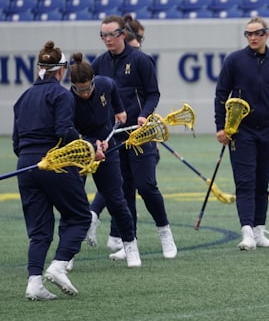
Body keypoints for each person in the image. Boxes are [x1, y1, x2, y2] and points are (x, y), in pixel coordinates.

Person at [92, 15, 177, 259]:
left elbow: (153, 93)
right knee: (123, 190)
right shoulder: (99, 64)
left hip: (141, 135)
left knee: (146, 186)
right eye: (103, 35)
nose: (107, 39)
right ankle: (131, 243)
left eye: (111, 34)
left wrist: (144, 115)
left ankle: (165, 233)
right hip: (115, 138)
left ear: (123, 34)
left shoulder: (141, 60)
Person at [13, 40, 90, 300]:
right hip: (53, 162)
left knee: (39, 229)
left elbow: (16, 142)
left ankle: (34, 282)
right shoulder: (61, 95)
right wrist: (86, 148)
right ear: (61, 71)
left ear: (39, 69)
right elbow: (64, 132)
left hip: (25, 165)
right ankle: (58, 265)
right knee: (81, 216)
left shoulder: (23, 97)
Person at [214, 16, 269, 250]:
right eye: (248, 34)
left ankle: (259, 230)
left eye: (257, 33)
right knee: (245, 181)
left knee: (263, 181)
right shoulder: (234, 61)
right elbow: (221, 94)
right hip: (241, 130)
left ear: (267, 34)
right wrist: (220, 126)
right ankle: (247, 230)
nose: (252, 37)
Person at [69, 52, 141, 267]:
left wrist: (119, 111)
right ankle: (67, 255)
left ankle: (130, 246)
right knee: (73, 203)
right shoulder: (67, 99)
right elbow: (67, 130)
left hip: (107, 147)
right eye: (78, 89)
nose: (83, 93)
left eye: (87, 88)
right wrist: (91, 146)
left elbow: (114, 94)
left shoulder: (105, 84)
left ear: (93, 81)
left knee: (117, 200)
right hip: (80, 150)